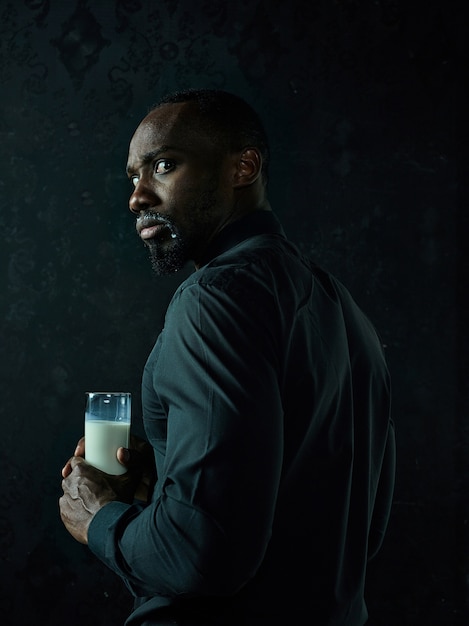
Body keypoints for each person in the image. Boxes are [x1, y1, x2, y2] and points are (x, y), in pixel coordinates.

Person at [60, 89, 395, 625]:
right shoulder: (345, 310)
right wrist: (168, 476)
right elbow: (360, 533)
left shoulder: (212, 301)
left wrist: (99, 518)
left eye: (163, 165)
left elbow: (199, 555)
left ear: (244, 166)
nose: (137, 197)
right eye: (132, 177)